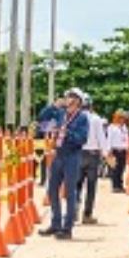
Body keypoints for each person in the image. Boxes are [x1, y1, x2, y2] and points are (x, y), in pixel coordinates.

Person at [42, 90, 88, 238]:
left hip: (72, 155)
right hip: (59, 153)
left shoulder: (82, 118)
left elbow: (82, 139)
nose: (69, 100)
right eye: (68, 97)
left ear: (78, 102)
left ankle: (67, 227)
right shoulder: (61, 114)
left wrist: (67, 132)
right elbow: (42, 120)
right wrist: (52, 106)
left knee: (69, 191)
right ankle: (55, 224)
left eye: (73, 98)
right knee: (52, 189)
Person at [79, 95, 106, 223]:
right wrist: (106, 154)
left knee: (75, 185)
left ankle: (72, 213)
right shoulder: (96, 119)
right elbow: (101, 139)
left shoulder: (74, 118)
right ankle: (87, 215)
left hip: (77, 154)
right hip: (92, 156)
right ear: (91, 106)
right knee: (91, 187)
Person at [106, 110, 129, 192]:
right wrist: (109, 150)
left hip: (123, 150)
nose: (123, 120)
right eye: (121, 118)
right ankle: (115, 186)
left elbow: (127, 139)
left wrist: (128, 148)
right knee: (115, 169)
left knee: (122, 168)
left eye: (124, 118)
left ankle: (120, 185)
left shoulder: (124, 128)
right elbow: (109, 139)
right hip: (115, 150)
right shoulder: (112, 127)